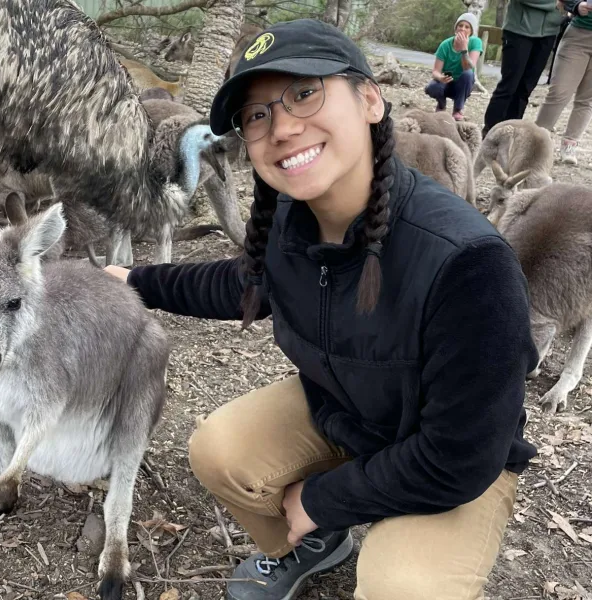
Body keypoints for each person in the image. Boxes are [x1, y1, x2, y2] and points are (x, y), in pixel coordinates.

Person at [105, 18, 538, 600]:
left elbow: (459, 458)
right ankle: (315, 545)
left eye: (304, 92)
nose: (281, 126)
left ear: (369, 99)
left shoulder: (468, 262)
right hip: (350, 411)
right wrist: (134, 280)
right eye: (256, 115)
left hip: (452, 461)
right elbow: (244, 282)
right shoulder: (294, 220)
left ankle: (370, 529)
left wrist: (324, 498)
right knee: (219, 452)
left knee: (401, 588)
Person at [482, 0, 565, 138]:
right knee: (509, 86)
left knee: (525, 89)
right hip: (519, 30)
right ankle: (490, 134)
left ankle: (511, 135)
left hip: (549, 33)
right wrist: (553, 4)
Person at [536, 0, 592, 164]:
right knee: (559, 92)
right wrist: (576, 5)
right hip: (578, 36)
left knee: (587, 99)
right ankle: (537, 140)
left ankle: (570, 144)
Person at [424, 13, 483, 121]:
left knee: (468, 73)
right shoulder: (445, 44)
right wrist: (440, 77)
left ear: (471, 31)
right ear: (456, 28)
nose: (463, 29)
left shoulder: (476, 42)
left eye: (467, 27)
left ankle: (458, 109)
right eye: (460, 25)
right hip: (446, 81)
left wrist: (464, 49)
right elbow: (435, 71)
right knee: (432, 87)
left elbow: (469, 67)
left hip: (462, 85)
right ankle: (441, 105)